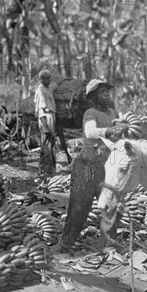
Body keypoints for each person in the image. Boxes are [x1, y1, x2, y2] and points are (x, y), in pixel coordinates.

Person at [53, 79, 127, 252]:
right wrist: (108, 131)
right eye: (102, 92)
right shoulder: (90, 113)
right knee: (79, 208)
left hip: (107, 168)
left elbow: (119, 129)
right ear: (94, 96)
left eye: (108, 91)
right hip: (87, 167)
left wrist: (125, 128)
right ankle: (65, 244)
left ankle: (109, 243)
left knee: (111, 207)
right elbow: (90, 132)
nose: (107, 94)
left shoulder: (112, 113)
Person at [34, 69, 57, 175]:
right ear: (41, 79)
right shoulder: (41, 91)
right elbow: (40, 110)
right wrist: (45, 127)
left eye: (49, 78)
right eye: (46, 78)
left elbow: (55, 86)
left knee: (48, 145)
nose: (49, 80)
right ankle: (48, 170)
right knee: (47, 146)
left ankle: (42, 169)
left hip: (51, 117)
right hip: (45, 118)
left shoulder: (48, 88)